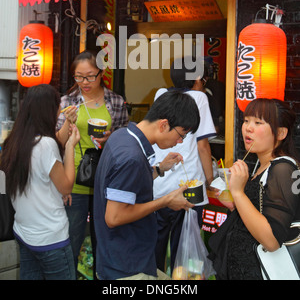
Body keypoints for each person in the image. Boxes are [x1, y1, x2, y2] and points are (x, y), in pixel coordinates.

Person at [93, 90, 201, 280]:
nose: (180, 142)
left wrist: (160, 169)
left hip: (121, 258)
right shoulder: (132, 158)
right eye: (181, 135)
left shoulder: (122, 136)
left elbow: (126, 186)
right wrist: (166, 201)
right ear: (164, 124)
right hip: (126, 267)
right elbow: (114, 216)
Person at [208, 98, 300, 280]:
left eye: (258, 122)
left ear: (281, 133)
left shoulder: (283, 169)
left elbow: (272, 240)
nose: (248, 128)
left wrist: (238, 193)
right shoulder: (262, 164)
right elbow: (261, 211)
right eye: (246, 120)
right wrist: (236, 204)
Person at [56, 49, 129, 277]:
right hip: (74, 178)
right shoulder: (67, 101)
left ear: (101, 73)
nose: (84, 82)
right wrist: (67, 123)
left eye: (90, 76)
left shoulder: (115, 101)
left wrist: (111, 138)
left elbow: (126, 139)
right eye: (79, 77)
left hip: (106, 179)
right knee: (71, 239)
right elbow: (59, 140)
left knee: (105, 240)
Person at [0, 84, 80, 280]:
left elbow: (48, 153)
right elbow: (66, 185)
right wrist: (71, 146)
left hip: (25, 233)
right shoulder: (45, 144)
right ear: (48, 110)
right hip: (50, 238)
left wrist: (67, 124)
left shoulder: (14, 141)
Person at [152, 57, 216, 273]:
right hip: (191, 189)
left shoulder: (161, 94)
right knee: (186, 251)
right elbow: (203, 146)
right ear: (198, 78)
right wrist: (211, 181)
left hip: (160, 186)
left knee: (156, 247)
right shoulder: (199, 97)